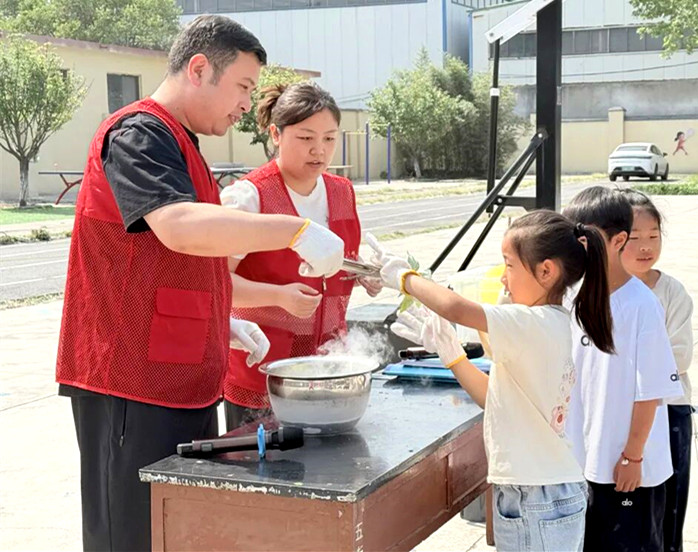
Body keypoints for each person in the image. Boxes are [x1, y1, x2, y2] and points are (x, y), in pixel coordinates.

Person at [55, 16, 344, 552]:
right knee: (134, 534)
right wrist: (295, 230)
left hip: (180, 374)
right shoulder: (139, 133)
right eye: (243, 87)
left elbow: (186, 260)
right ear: (198, 69)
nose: (246, 105)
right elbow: (181, 229)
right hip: (130, 380)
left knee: (180, 530)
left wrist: (221, 319)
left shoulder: (182, 145)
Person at [367, 208, 615, 552]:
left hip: (534, 497)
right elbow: (494, 400)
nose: (502, 279)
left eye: (509, 266)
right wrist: (453, 355)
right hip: (539, 492)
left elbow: (455, 308)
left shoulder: (533, 323)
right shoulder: (546, 323)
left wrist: (405, 278)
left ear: (546, 271)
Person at [220, 82, 382, 430]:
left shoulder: (342, 191)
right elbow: (215, 282)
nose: (319, 150)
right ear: (275, 134)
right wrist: (278, 296)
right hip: (262, 373)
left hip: (329, 368)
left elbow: (334, 265)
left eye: (329, 138)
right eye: (306, 138)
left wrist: (364, 274)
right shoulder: (248, 196)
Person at [562, 186, 684, 552]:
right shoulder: (572, 295)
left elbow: (650, 392)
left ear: (618, 240)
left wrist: (633, 456)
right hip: (584, 459)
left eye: (587, 239)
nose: (579, 247)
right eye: (574, 238)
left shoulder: (641, 305)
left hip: (628, 468)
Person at [619, 189, 694, 552]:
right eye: (634, 238)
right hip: (618, 414)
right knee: (625, 512)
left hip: (668, 410)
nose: (646, 246)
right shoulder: (597, 290)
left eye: (654, 235)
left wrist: (625, 375)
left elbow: (677, 358)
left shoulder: (671, 293)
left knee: (668, 508)